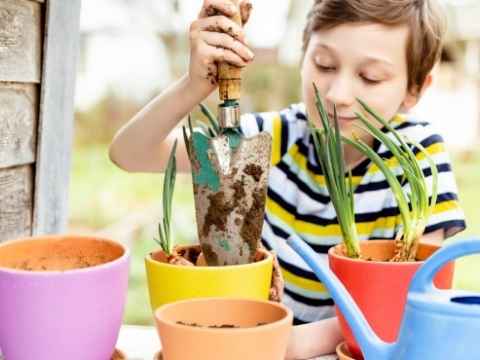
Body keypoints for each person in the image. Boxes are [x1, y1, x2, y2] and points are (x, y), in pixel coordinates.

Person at [109, 0, 466, 357]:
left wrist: (292, 343)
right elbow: (130, 153)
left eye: (370, 77)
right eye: (323, 65)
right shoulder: (276, 136)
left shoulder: (417, 154)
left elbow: (421, 293)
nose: (337, 95)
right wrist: (193, 85)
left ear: (415, 89)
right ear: (302, 57)